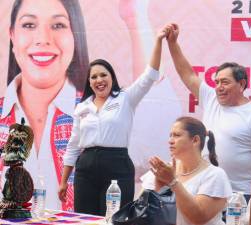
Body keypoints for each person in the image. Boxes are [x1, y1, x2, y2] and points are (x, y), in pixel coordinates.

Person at [58, 27, 168, 216]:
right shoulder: (82, 107)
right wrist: (63, 181)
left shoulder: (126, 98)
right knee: (85, 219)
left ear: (112, 78)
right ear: (89, 83)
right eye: (94, 77)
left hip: (118, 168)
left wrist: (158, 40)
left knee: (115, 218)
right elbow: (73, 146)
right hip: (86, 170)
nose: (99, 80)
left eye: (103, 75)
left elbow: (150, 75)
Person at [163, 23, 251, 200]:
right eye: (216, 82)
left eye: (225, 82)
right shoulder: (211, 99)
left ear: (241, 84)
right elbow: (188, 75)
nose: (219, 87)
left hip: (240, 195)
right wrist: (172, 43)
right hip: (205, 189)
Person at [0, 0, 89, 210]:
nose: (43, 39)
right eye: (29, 25)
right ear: (12, 35)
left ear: (75, 37)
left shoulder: (94, 114)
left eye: (58, 25)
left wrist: (136, 20)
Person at [141, 116, 232, 225]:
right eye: (170, 135)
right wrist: (158, 185)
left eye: (177, 135)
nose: (170, 141)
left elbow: (198, 217)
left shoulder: (215, 175)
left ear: (195, 140)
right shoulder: (163, 170)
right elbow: (139, 209)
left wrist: (172, 182)